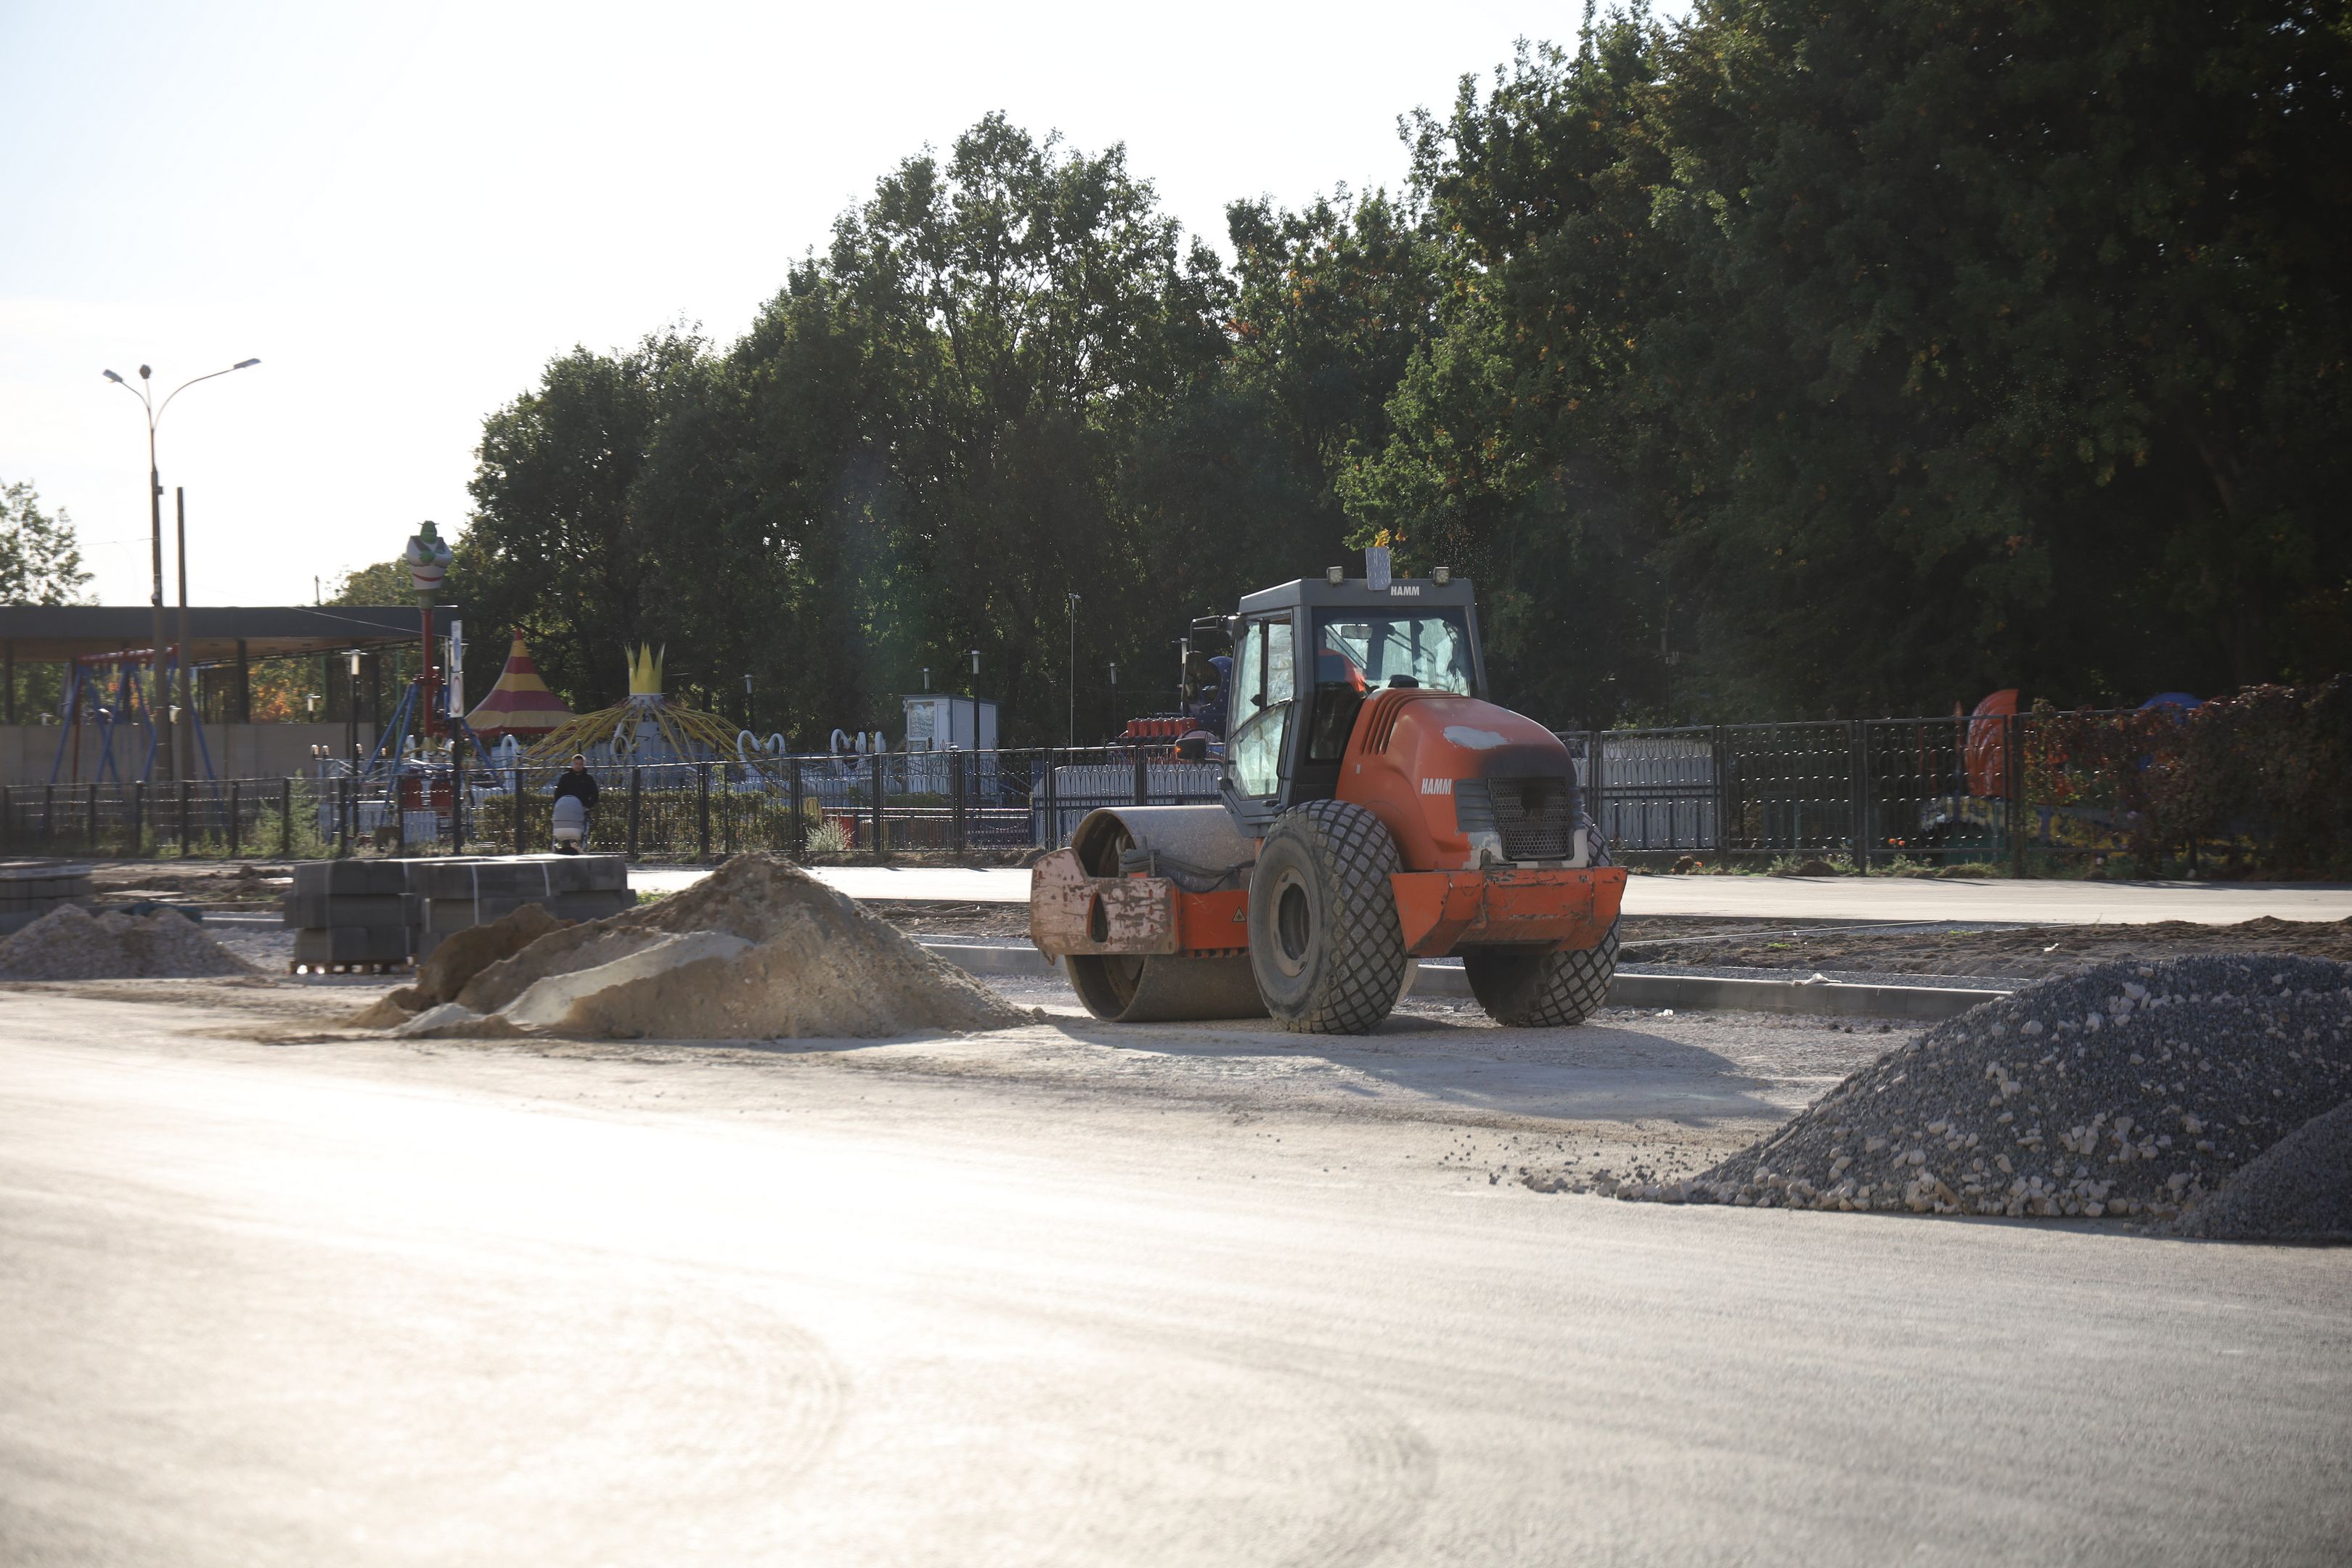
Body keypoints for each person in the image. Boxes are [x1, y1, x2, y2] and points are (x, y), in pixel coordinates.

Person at [551, 754, 599, 854]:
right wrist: (557, 807)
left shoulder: (588, 779)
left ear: (584, 765)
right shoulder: (565, 778)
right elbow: (558, 793)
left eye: (580, 764)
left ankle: (583, 847)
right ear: (572, 764)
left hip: (582, 809)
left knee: (582, 830)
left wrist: (588, 806)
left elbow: (595, 794)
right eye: (576, 764)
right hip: (566, 809)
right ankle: (560, 845)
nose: (578, 766)